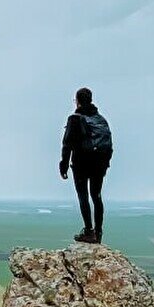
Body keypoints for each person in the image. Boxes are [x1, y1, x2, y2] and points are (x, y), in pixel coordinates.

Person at [59, 87, 113, 243]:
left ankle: (89, 231)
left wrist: (63, 165)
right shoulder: (101, 119)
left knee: (83, 195)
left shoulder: (75, 118)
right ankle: (98, 233)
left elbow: (67, 144)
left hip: (81, 163)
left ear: (77, 100)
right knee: (96, 196)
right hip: (100, 163)